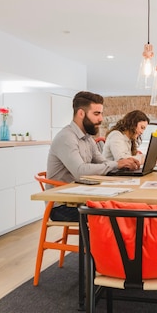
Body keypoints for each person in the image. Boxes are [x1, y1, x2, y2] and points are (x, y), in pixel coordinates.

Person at [46, 91, 140, 221]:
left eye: (101, 113)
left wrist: (124, 165)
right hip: (62, 205)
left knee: (125, 209)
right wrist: (116, 164)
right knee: (114, 217)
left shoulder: (87, 138)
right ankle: (96, 242)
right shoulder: (66, 137)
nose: (101, 118)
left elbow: (102, 162)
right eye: (96, 114)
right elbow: (80, 172)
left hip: (81, 197)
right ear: (81, 113)